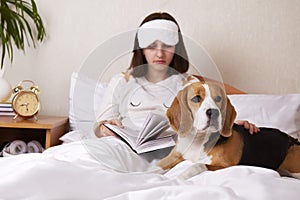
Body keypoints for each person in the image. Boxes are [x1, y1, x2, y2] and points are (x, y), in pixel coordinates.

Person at [94, 12, 258, 153]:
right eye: (152, 46)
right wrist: (105, 128)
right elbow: (101, 126)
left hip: (174, 151)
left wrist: (232, 125)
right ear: (141, 49)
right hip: (125, 149)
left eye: (167, 46)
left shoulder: (189, 84)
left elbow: (206, 121)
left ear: (176, 48)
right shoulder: (121, 82)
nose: (159, 53)